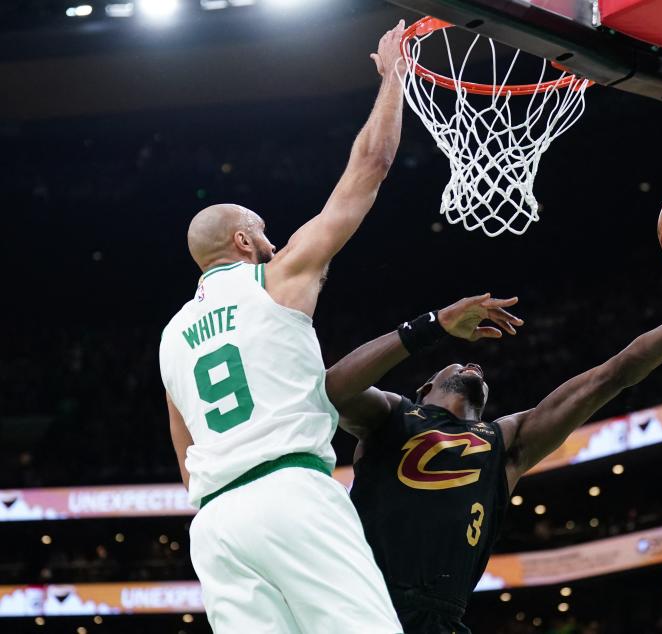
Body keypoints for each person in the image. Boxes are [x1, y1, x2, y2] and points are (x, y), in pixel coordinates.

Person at [326, 245, 662, 633]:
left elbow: (614, 374)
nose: (474, 364)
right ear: (423, 389)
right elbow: (333, 388)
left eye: (482, 374)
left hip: (438, 620)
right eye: (457, 363)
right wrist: (435, 325)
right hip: (359, 600)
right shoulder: (394, 414)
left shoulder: (507, 441)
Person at [158, 22, 408, 633]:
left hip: (216, 525)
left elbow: (187, 458)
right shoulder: (274, 279)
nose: (274, 243)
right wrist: (393, 78)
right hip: (289, 492)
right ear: (243, 241)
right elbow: (368, 169)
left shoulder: (170, 338)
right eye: (263, 232)